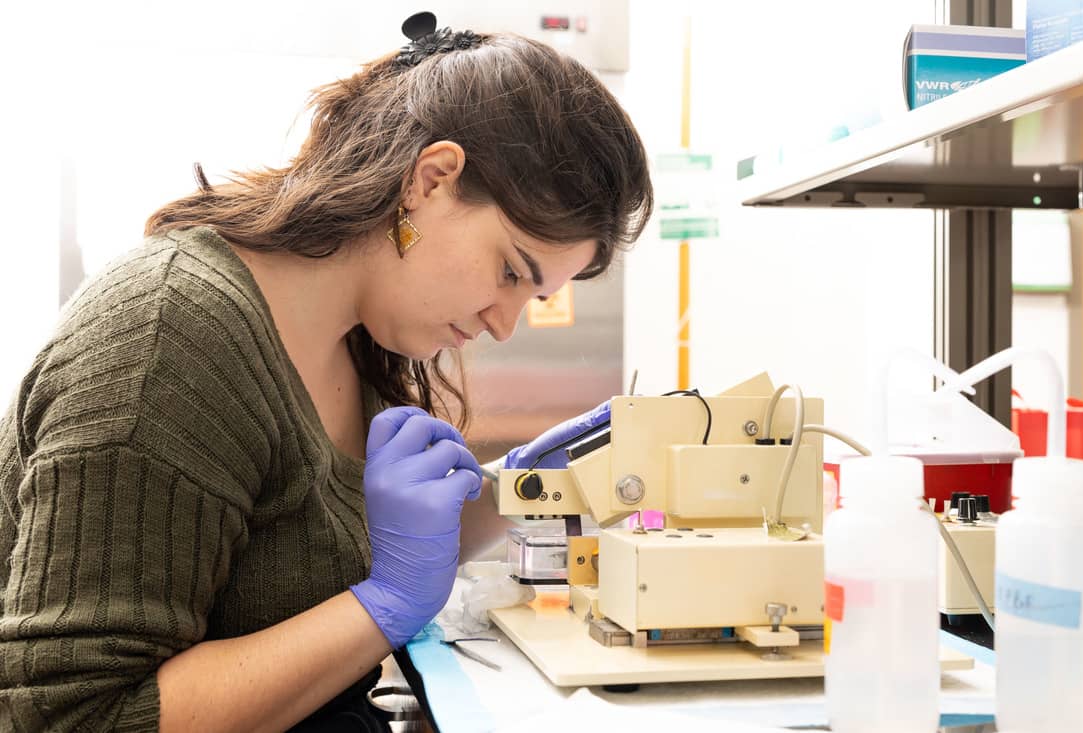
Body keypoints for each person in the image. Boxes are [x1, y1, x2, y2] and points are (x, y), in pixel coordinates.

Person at [0, 13, 653, 733]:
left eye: (532, 296)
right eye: (509, 271)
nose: (504, 323)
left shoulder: (357, 342)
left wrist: (518, 488)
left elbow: (314, 553)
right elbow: (75, 714)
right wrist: (387, 604)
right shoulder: (171, 339)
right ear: (431, 180)